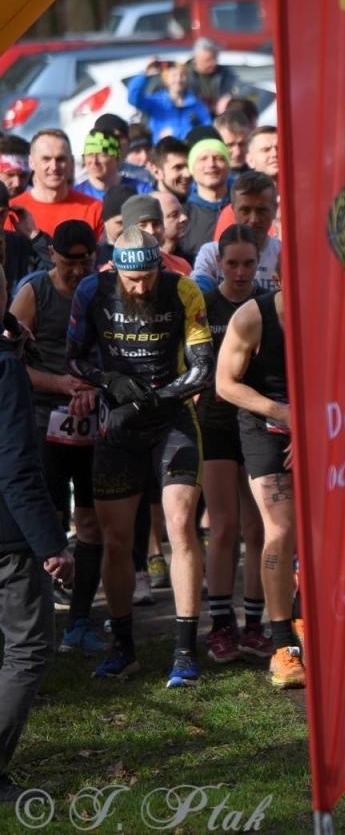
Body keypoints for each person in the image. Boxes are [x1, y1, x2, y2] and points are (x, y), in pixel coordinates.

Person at [68, 227, 214, 686]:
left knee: (180, 524)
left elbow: (202, 369)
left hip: (171, 422)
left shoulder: (182, 289)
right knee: (116, 539)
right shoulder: (92, 290)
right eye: (132, 280)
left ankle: (185, 653)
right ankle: (123, 648)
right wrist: (109, 381)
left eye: (149, 276)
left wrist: (153, 399)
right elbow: (73, 357)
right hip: (117, 427)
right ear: (115, 268)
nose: (141, 287)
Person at [10, 222, 102, 655]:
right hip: (42, 421)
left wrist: (93, 387)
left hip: (92, 420)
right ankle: (40, 621)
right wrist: (61, 384)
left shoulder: (101, 291)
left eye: (86, 261)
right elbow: (11, 364)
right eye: (70, 262)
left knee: (91, 522)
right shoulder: (34, 293)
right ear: (52, 256)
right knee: (47, 522)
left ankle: (80, 620)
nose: (78, 270)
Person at [0, 305, 74, 804]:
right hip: (11, 538)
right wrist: (52, 544)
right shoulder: (5, 368)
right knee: (27, 649)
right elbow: (15, 466)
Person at [215, 287, 305, 689]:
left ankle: (307, 617)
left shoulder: (338, 310)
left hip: (322, 420)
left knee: (325, 532)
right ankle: (283, 646)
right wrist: (284, 414)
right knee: (281, 529)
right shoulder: (252, 317)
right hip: (265, 423)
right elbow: (224, 384)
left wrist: (313, 424)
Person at [197, 227, 271, 665]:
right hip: (216, 424)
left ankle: (256, 625)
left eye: (249, 264)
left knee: (259, 528)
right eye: (232, 264)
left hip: (257, 422)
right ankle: (221, 625)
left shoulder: (266, 303)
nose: (241, 272)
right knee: (223, 526)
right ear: (218, 262)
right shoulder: (205, 304)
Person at [192, 172, 278, 290]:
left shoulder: (284, 255)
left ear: (275, 209)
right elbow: (197, 294)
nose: (254, 219)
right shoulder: (211, 254)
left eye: (261, 210)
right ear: (233, 210)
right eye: (245, 210)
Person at [13, 130, 104, 239]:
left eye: (60, 159)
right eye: (46, 159)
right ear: (31, 162)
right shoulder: (12, 212)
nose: (54, 167)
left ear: (72, 162)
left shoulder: (94, 210)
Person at [125, 60, 212, 142]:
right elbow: (133, 97)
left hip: (189, 148)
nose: (178, 80)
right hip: (164, 149)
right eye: (174, 76)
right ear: (166, 79)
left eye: (182, 75)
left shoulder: (196, 104)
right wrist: (144, 73)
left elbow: (207, 129)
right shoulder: (156, 102)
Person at [182, 137, 232, 255]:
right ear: (191, 168)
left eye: (219, 158)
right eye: (203, 159)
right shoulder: (183, 214)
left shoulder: (242, 207)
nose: (211, 164)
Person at [122, 194, 192, 275]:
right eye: (142, 225)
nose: (151, 231)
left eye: (156, 224)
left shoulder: (181, 267)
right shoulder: (115, 271)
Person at [151, 136, 192, 204]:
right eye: (178, 167)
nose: (188, 174)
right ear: (157, 172)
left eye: (189, 166)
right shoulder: (146, 209)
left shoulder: (198, 206)